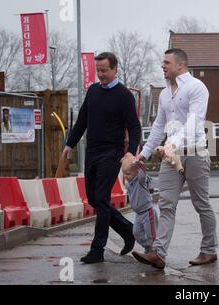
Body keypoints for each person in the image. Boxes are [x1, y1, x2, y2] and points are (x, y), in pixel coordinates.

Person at [132, 48, 218, 269]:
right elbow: (159, 126)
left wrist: (172, 144)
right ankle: (158, 254)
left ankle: (209, 250)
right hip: (171, 156)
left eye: (166, 62)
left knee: (201, 204)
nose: (162, 66)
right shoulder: (163, 94)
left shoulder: (196, 88)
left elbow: (194, 122)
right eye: (163, 62)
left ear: (180, 65)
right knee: (167, 204)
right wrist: (144, 153)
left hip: (195, 152)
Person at [61, 52, 141, 264]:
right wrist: (70, 143)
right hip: (93, 151)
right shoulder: (93, 91)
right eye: (98, 70)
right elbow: (82, 120)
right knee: (95, 199)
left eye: (104, 70)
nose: (100, 75)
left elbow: (134, 126)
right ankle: (128, 230)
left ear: (115, 69)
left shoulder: (124, 95)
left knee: (102, 199)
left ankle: (97, 249)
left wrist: (130, 152)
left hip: (111, 152)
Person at [121, 153, 158, 254]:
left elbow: (142, 174)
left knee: (151, 234)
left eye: (128, 174)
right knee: (136, 233)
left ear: (136, 172)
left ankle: (155, 250)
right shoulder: (129, 184)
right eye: (124, 173)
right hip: (138, 214)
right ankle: (148, 247)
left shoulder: (140, 180)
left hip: (147, 212)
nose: (126, 176)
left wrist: (141, 166)